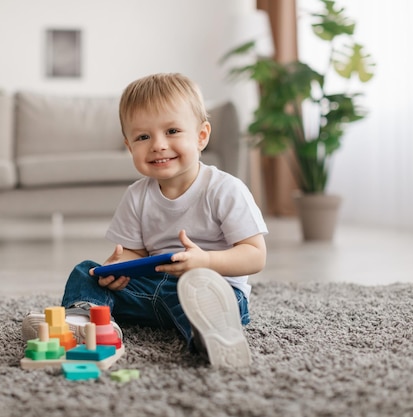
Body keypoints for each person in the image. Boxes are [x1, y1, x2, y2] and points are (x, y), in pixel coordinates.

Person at [22, 73, 267, 368]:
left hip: (209, 290)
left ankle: (209, 337)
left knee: (197, 294)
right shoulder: (137, 195)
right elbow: (134, 252)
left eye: (173, 130)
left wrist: (206, 262)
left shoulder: (225, 189)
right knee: (87, 271)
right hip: (152, 290)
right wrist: (118, 267)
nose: (158, 145)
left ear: (201, 136)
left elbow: (255, 256)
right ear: (129, 146)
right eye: (143, 137)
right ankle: (82, 322)